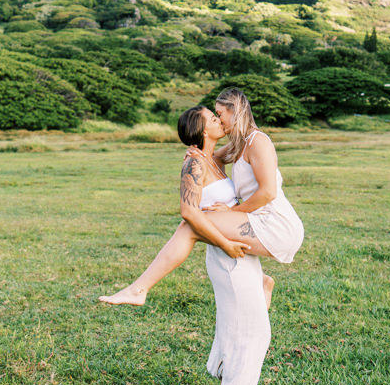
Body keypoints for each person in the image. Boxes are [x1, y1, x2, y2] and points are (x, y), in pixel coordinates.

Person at [99, 87, 303, 308]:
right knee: (194, 220)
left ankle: (138, 289)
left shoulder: (257, 141)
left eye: (219, 114)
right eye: (214, 117)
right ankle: (261, 281)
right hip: (258, 219)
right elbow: (211, 157)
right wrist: (193, 154)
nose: (219, 120)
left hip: (276, 223)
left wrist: (231, 213)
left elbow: (268, 192)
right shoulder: (240, 145)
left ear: (234, 111)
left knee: (189, 226)